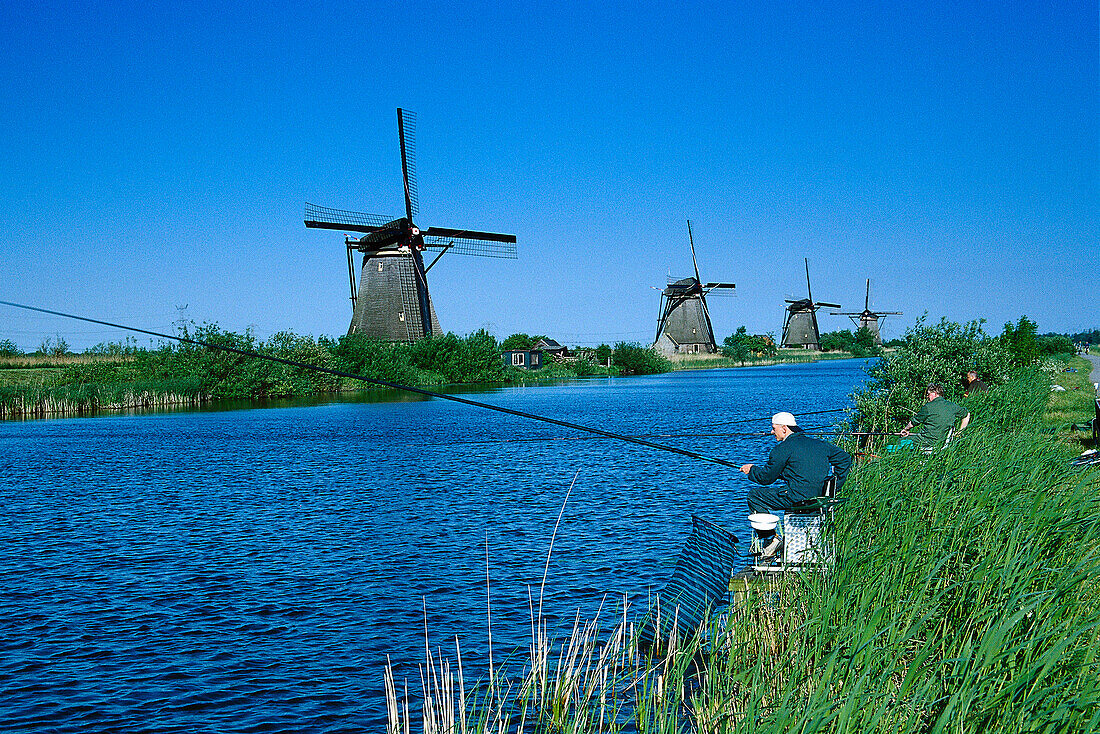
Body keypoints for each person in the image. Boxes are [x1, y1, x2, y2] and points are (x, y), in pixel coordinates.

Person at [740, 412, 852, 557]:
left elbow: (766, 478)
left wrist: (751, 470)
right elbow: (845, 460)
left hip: (796, 497)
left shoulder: (782, 449)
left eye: (774, 428)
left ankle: (771, 539)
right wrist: (834, 487)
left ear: (784, 428)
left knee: (754, 496)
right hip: (820, 497)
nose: (772, 432)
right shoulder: (820, 445)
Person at [900, 383, 970, 452]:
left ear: (935, 393)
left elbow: (914, 422)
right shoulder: (952, 406)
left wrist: (905, 429)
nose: (927, 396)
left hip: (927, 441)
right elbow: (967, 415)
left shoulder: (928, 407)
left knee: (901, 441)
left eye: (928, 394)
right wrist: (960, 432)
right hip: (942, 443)